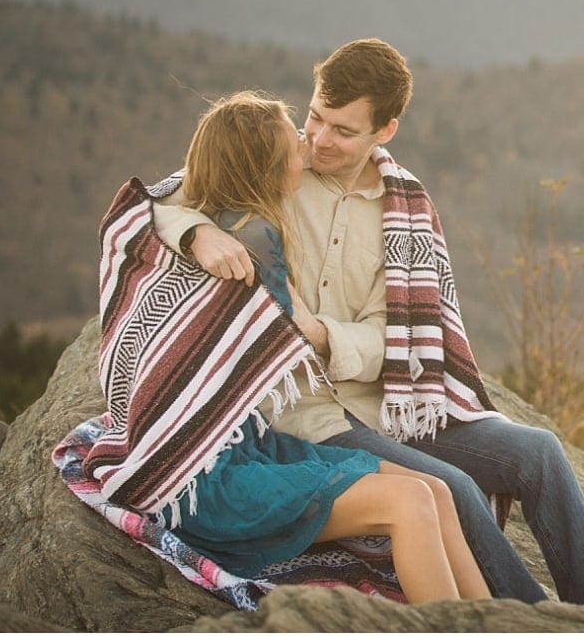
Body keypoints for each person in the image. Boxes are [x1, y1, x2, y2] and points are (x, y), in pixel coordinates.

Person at [153, 40, 584, 604]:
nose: (319, 139)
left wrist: (326, 337)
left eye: (342, 130)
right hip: (309, 414)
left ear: (385, 130)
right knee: (453, 489)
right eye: (315, 118)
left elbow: (404, 339)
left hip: (392, 399)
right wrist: (198, 232)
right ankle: (530, 621)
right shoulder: (278, 166)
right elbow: (159, 202)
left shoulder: (406, 206)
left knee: (540, 453)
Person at [147, 91, 491, 604]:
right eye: (296, 146)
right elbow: (287, 337)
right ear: (264, 168)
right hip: (211, 476)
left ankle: (498, 627)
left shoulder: (241, 219)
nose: (308, 152)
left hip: (251, 445)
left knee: (435, 490)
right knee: (413, 501)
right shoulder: (252, 236)